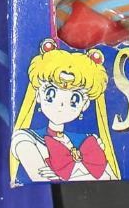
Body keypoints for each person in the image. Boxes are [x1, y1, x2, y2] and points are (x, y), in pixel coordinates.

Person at [10, 41, 121, 182]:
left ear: (85, 104)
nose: (61, 104)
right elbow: (39, 178)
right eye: (51, 94)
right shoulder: (24, 139)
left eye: (75, 99)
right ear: (38, 95)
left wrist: (65, 173)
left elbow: (111, 177)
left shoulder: (89, 141)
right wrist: (84, 172)